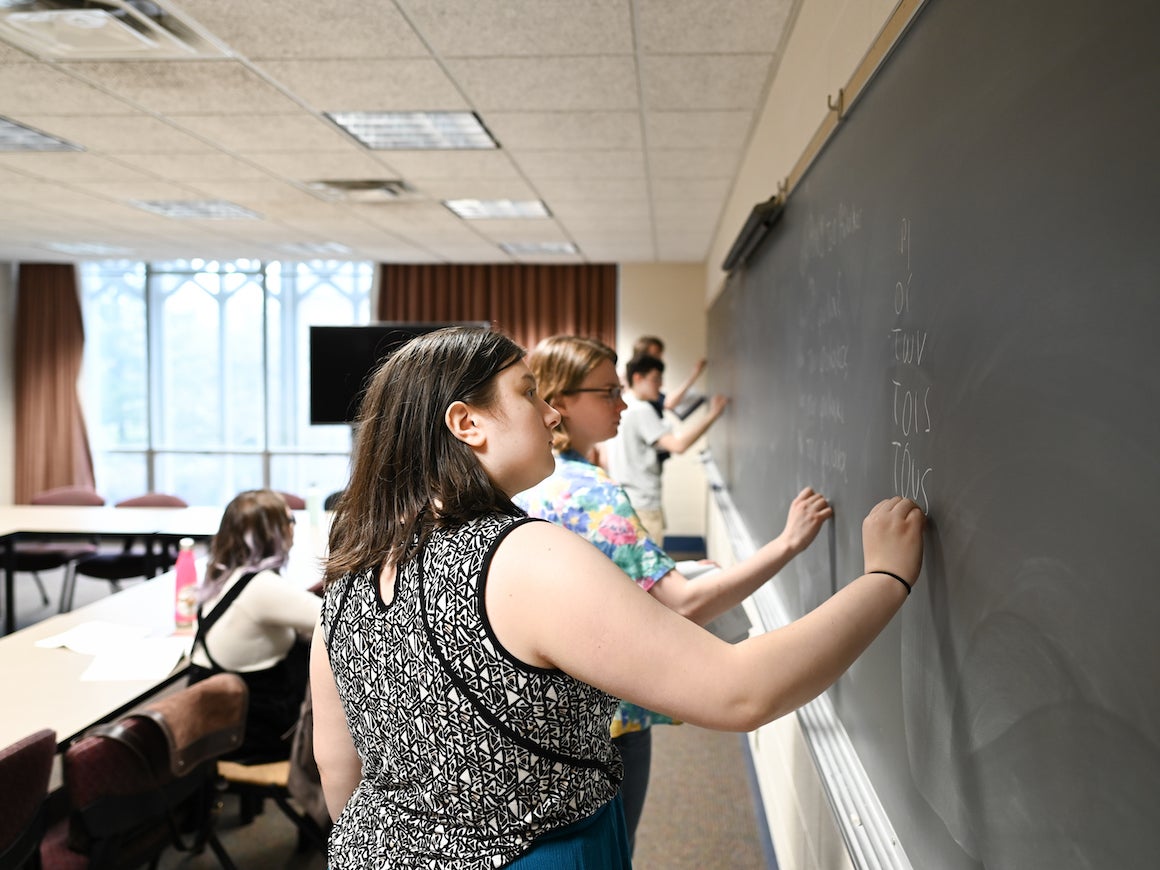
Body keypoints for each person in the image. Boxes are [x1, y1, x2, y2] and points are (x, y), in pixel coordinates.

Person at [310, 326, 925, 869]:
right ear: (466, 423)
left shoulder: (348, 577)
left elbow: (341, 775)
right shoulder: (522, 556)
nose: (551, 415)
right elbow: (740, 691)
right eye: (527, 393)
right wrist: (885, 580)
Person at [515, 335, 832, 850]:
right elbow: (683, 604)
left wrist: (670, 569)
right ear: (563, 401)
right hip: (609, 720)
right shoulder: (592, 493)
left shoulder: (532, 485)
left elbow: (594, 581)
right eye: (606, 393)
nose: (623, 404)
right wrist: (789, 544)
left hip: (553, 716)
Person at [188, 489, 321, 762]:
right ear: (275, 532)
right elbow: (341, 622)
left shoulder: (222, 575)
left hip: (217, 722)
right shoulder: (263, 588)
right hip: (254, 732)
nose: (294, 527)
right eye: (290, 520)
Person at [605, 352, 728, 544]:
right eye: (655, 379)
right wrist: (714, 414)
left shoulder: (623, 406)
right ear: (638, 378)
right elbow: (678, 446)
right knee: (650, 570)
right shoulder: (641, 410)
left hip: (627, 499)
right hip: (642, 504)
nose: (660, 385)